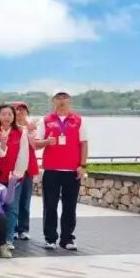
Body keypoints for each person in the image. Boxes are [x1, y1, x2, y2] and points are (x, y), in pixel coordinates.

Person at [34, 91, 88, 251]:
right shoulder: (46, 120)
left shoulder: (78, 120)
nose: (62, 101)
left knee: (70, 206)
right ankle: (50, 239)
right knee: (50, 205)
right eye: (58, 98)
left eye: (64, 97)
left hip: (72, 170)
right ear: (53, 101)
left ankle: (67, 239)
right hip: (51, 170)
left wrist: (82, 165)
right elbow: (36, 144)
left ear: (69, 100)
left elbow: (84, 144)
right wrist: (46, 142)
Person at [0, 103, 30, 248]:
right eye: (3, 114)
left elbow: (24, 154)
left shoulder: (20, 133)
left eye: (10, 114)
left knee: (12, 208)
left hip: (13, 177)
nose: (7, 117)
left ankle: (8, 239)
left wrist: (17, 174)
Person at [11, 102, 40, 241]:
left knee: (25, 201)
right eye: (17, 110)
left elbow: (36, 145)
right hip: (13, 170)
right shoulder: (10, 128)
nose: (20, 112)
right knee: (13, 201)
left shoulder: (32, 128)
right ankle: (13, 228)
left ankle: (23, 229)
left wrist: (30, 131)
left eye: (23, 110)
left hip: (28, 170)